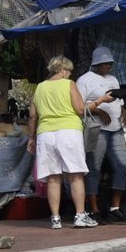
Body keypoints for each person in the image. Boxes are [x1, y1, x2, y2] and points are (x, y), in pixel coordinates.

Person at [29, 56, 95, 229]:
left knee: (53, 178)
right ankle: (80, 215)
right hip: (68, 132)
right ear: (63, 70)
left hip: (45, 133)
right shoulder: (69, 84)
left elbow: (32, 115)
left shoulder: (40, 88)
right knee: (75, 175)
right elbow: (80, 109)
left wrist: (31, 137)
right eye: (69, 71)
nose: (69, 74)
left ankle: (55, 218)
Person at [76, 47, 126, 221]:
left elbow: (118, 101)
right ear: (97, 64)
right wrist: (99, 111)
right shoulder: (84, 80)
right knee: (94, 168)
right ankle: (94, 209)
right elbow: (79, 108)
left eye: (110, 63)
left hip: (116, 128)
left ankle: (115, 207)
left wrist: (124, 110)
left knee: (122, 165)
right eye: (106, 63)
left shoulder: (113, 79)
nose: (109, 66)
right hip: (96, 129)